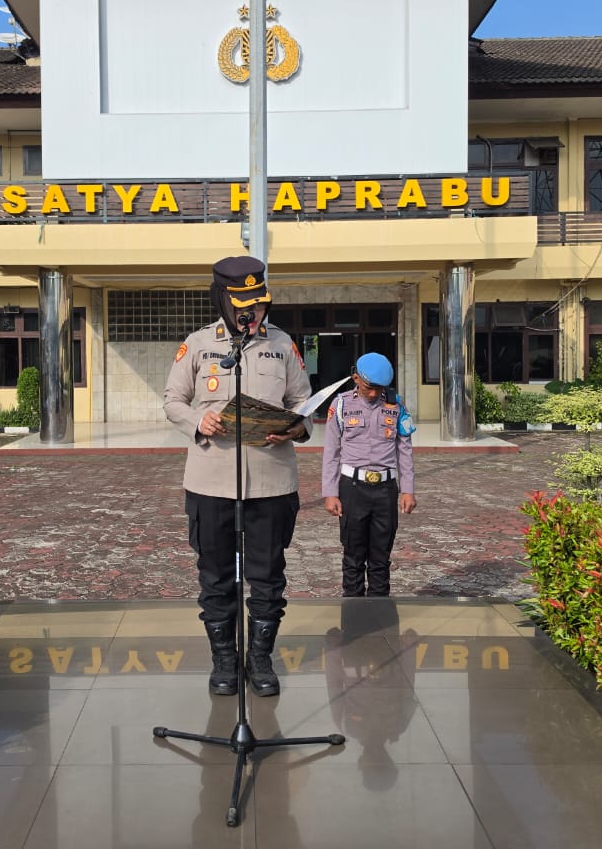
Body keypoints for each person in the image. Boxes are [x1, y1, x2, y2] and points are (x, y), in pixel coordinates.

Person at [164, 255, 312, 697]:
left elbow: (304, 404)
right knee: (216, 576)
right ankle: (225, 661)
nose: (254, 313)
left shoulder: (282, 345)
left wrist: (294, 427)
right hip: (211, 482)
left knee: (267, 577)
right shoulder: (198, 344)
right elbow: (173, 400)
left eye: (260, 304)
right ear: (225, 302)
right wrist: (198, 420)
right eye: (246, 306)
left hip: (271, 482)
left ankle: (260, 660)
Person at [321, 352, 416, 597]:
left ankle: (379, 612)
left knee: (381, 557)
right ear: (356, 378)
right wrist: (330, 493)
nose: (374, 394)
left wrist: (407, 490)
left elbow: (404, 449)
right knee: (353, 556)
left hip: (385, 490)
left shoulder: (396, 405)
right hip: (352, 488)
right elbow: (331, 451)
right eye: (368, 388)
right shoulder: (341, 405)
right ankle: (353, 612)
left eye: (379, 389)